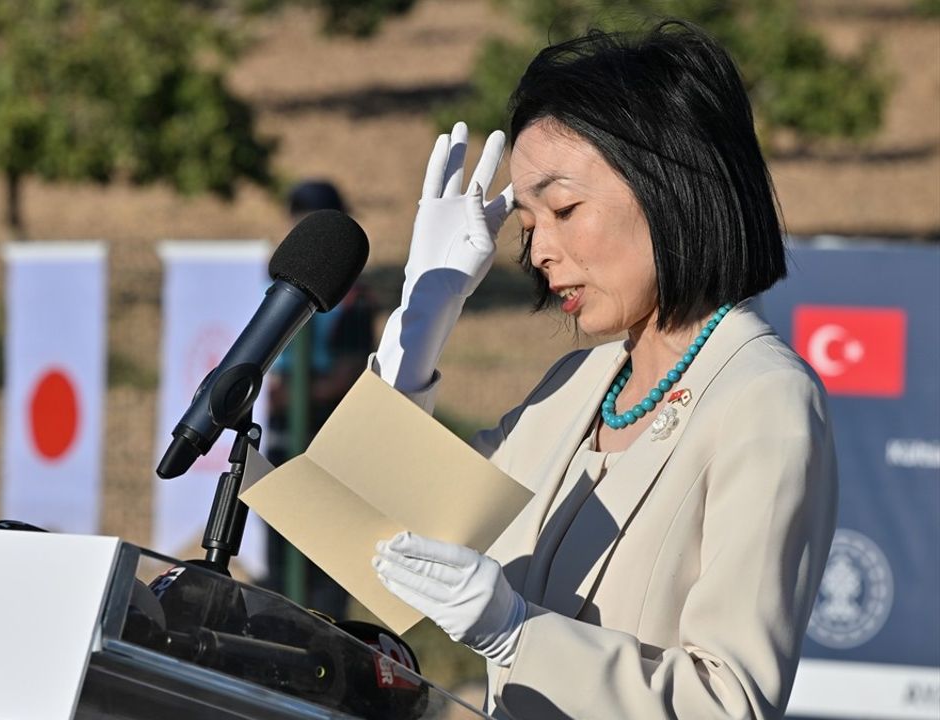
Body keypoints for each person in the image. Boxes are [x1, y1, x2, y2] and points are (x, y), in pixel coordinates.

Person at [369, 22, 838, 719]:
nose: (540, 251)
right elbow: (382, 537)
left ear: (668, 187)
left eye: (564, 209)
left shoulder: (764, 400)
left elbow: (729, 702)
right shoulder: (577, 386)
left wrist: (518, 634)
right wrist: (418, 328)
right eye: (528, 225)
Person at [262, 180, 377, 618]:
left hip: (326, 440)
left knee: (326, 565)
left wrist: (292, 396)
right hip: (281, 442)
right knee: (279, 563)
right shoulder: (272, 288)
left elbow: (349, 374)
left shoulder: (354, 302)